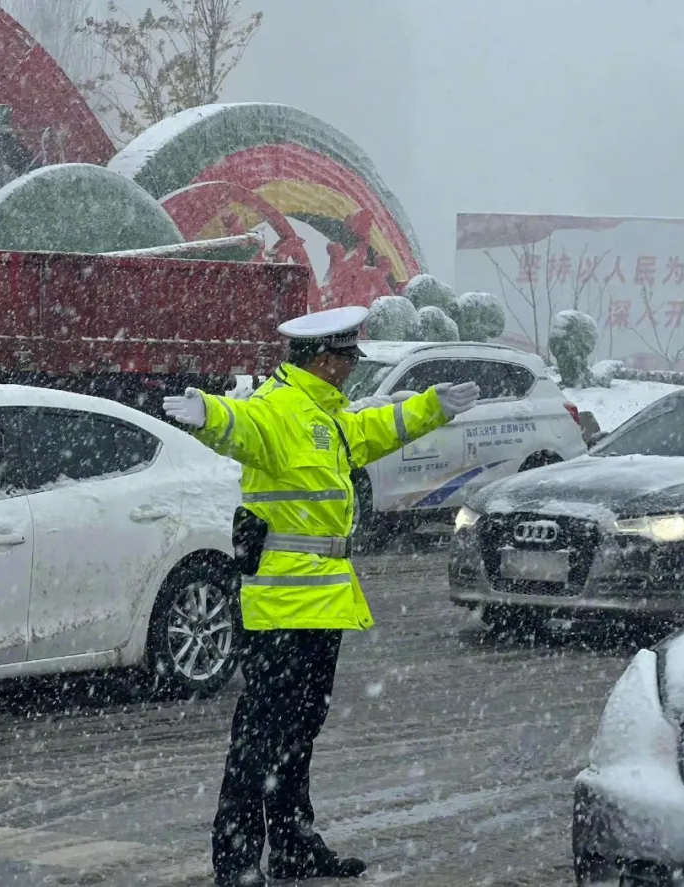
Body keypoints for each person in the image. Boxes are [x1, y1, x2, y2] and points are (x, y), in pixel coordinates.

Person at [163, 305, 480, 887]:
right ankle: (235, 862)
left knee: (298, 734)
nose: (353, 370)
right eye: (349, 359)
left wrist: (433, 407)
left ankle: (292, 848)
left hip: (323, 603)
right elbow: (240, 427)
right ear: (325, 360)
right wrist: (206, 412)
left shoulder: (326, 415)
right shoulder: (279, 409)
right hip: (281, 607)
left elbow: (373, 431)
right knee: (259, 738)